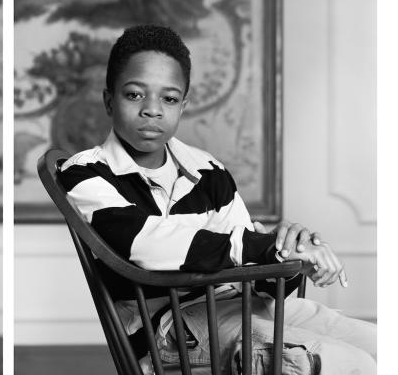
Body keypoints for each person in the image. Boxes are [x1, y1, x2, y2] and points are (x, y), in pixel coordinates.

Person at [58, 25, 375, 374]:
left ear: (183, 105)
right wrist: (260, 246)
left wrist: (291, 250)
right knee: (346, 363)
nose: (152, 110)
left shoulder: (207, 170)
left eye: (169, 98)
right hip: (175, 327)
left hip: (244, 304)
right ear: (109, 99)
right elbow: (144, 244)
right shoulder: (85, 172)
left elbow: (249, 268)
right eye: (134, 95)